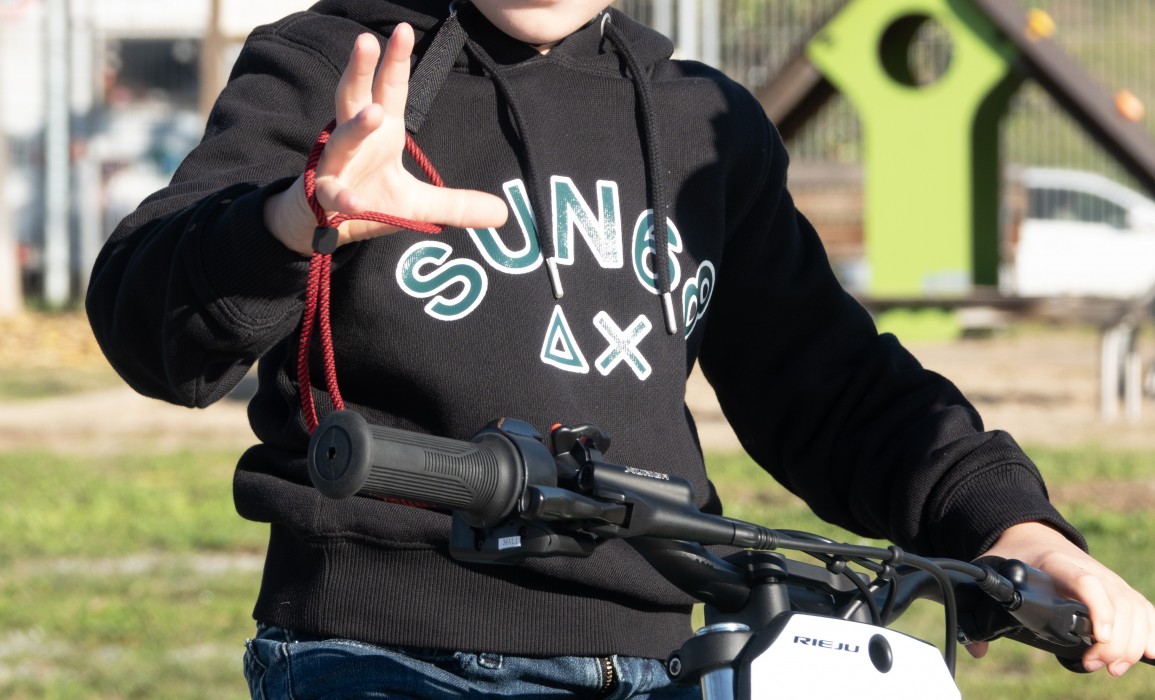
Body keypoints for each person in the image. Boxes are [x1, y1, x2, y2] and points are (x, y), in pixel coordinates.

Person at [86, 0, 1155, 696]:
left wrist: (1013, 526)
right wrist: (294, 217)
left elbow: (831, 385)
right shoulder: (341, 66)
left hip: (659, 661)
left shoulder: (701, 124)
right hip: (385, 651)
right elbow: (153, 330)